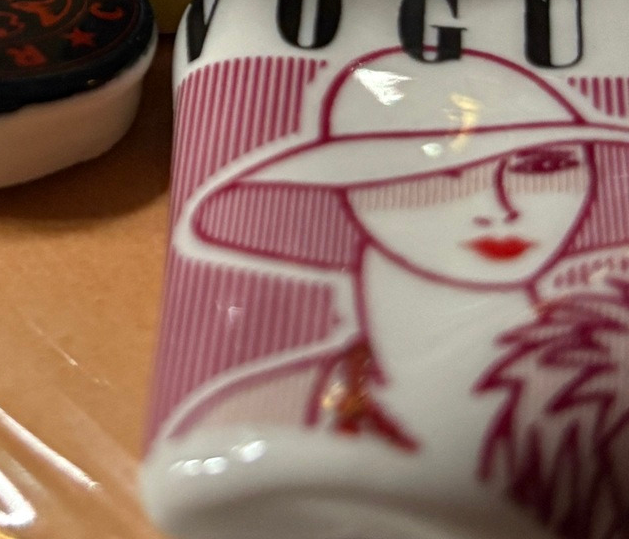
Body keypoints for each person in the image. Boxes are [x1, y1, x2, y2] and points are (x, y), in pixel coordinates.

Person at [160, 47, 629, 539]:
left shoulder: (601, 383)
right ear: (347, 188)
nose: (500, 207)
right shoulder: (248, 419)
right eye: (442, 167)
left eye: (543, 165)